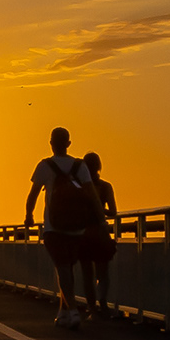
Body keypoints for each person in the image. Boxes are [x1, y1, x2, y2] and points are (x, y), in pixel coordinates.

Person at [25, 125, 103, 327]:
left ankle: (74, 311)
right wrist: (101, 220)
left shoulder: (45, 166)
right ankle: (63, 312)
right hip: (78, 226)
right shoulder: (81, 166)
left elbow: (33, 195)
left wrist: (29, 216)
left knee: (63, 269)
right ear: (69, 143)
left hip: (54, 226)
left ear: (51, 143)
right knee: (67, 268)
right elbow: (93, 196)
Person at [81, 152, 121, 321]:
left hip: (82, 233)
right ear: (99, 167)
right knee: (102, 272)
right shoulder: (105, 187)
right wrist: (100, 209)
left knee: (87, 273)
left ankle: (92, 308)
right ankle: (102, 304)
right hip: (100, 233)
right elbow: (113, 212)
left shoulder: (79, 186)